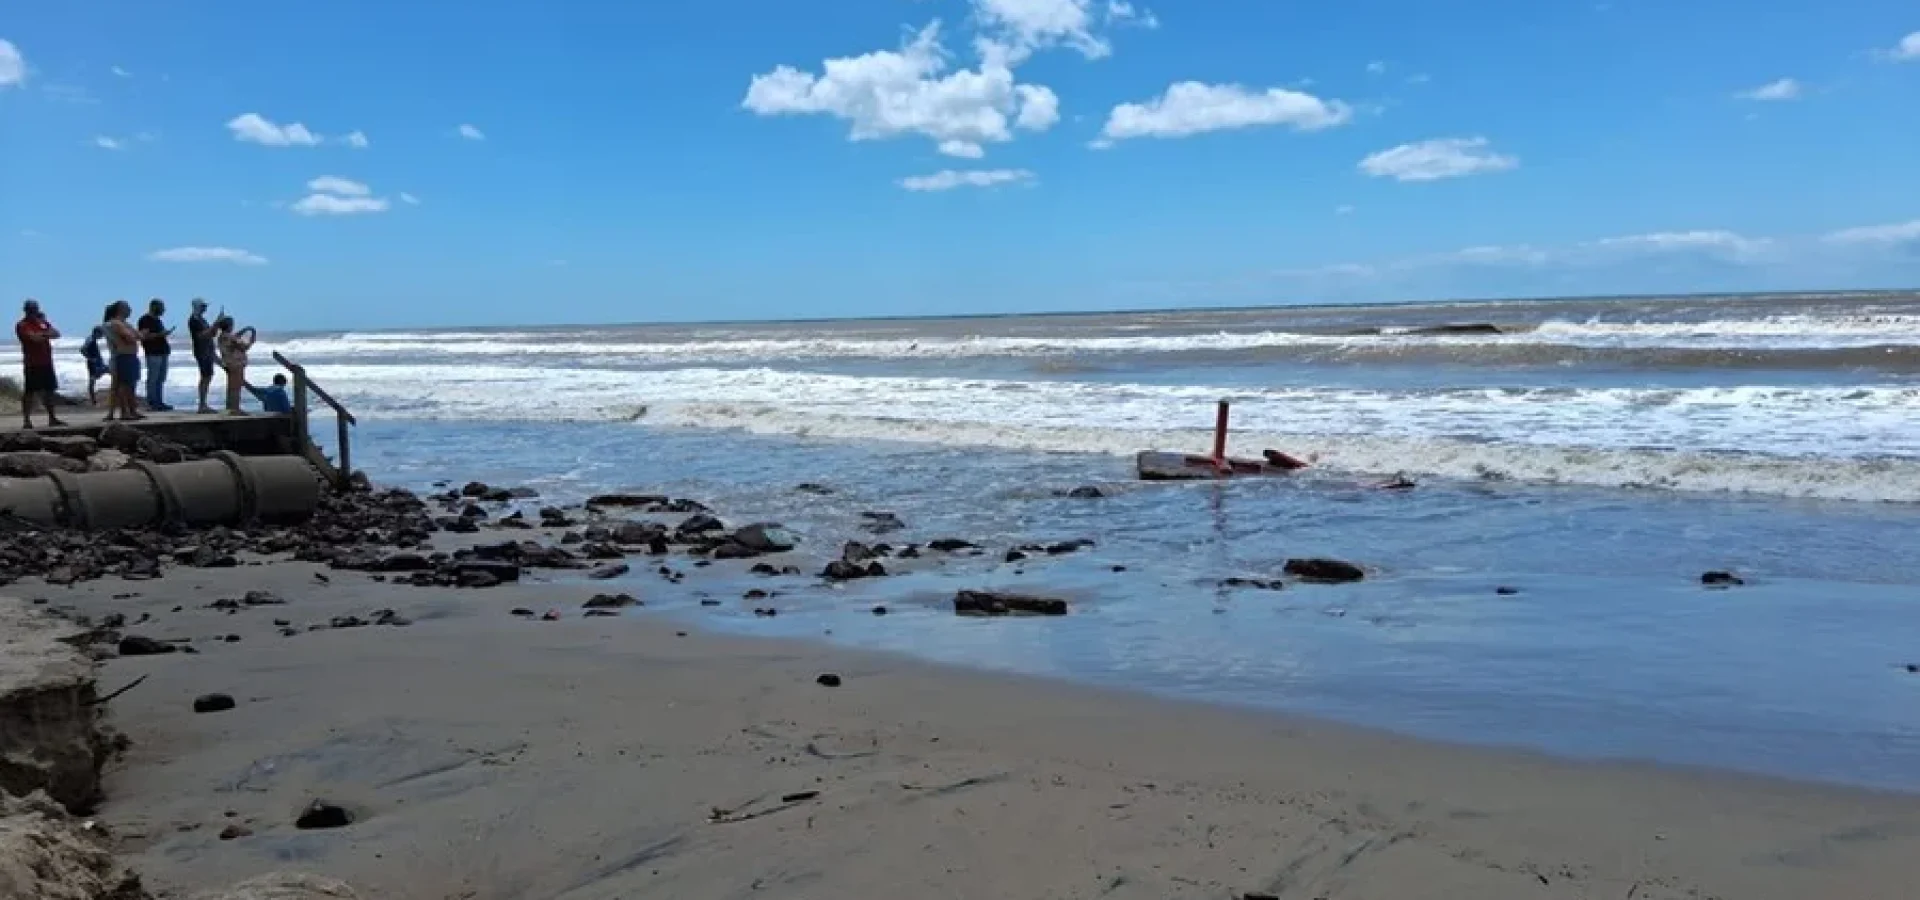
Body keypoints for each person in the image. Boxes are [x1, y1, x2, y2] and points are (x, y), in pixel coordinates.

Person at [15, 299, 67, 429]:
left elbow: (56, 333)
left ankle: (52, 418)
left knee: (49, 391)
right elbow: (33, 338)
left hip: (46, 362)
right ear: (26, 311)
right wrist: (44, 334)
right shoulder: (22, 325)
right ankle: (26, 420)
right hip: (32, 363)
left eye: (35, 309)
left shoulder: (42, 323)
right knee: (30, 392)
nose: (34, 312)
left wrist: (42, 333)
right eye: (31, 310)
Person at [104, 301, 143, 422]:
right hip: (122, 356)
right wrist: (135, 335)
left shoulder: (125, 324)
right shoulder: (115, 323)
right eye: (127, 308)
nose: (130, 310)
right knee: (123, 385)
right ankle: (124, 412)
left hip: (130, 356)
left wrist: (135, 335)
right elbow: (131, 337)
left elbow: (138, 336)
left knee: (130, 385)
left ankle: (132, 410)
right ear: (120, 309)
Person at [136, 298, 174, 411]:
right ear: (154, 307)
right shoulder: (145, 320)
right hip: (153, 352)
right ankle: (152, 402)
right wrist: (159, 334)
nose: (163, 310)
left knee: (161, 378)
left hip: (162, 352)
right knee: (153, 378)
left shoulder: (157, 320)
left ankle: (159, 401)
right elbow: (144, 336)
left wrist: (163, 334)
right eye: (161, 308)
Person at [215, 316, 256, 415]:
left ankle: (230, 408)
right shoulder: (230, 337)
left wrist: (244, 330)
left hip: (228, 363)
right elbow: (244, 347)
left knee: (231, 386)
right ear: (229, 326)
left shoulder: (222, 336)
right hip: (236, 363)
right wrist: (252, 339)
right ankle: (235, 409)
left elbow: (235, 336)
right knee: (236, 387)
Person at [187, 298, 216, 414]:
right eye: (203, 306)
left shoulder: (202, 319)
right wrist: (215, 324)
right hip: (201, 350)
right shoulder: (194, 320)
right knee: (205, 376)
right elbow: (201, 335)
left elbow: (211, 333)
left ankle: (204, 404)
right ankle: (202, 405)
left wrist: (214, 327)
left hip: (208, 349)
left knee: (208, 376)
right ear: (198, 306)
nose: (205, 308)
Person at [79, 308, 110, 405]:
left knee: (110, 372)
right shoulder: (91, 339)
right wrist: (90, 358)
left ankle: (94, 400)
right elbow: (82, 349)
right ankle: (93, 401)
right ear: (97, 333)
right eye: (101, 334)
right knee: (92, 381)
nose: (102, 336)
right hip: (94, 364)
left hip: (97, 363)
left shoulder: (92, 339)